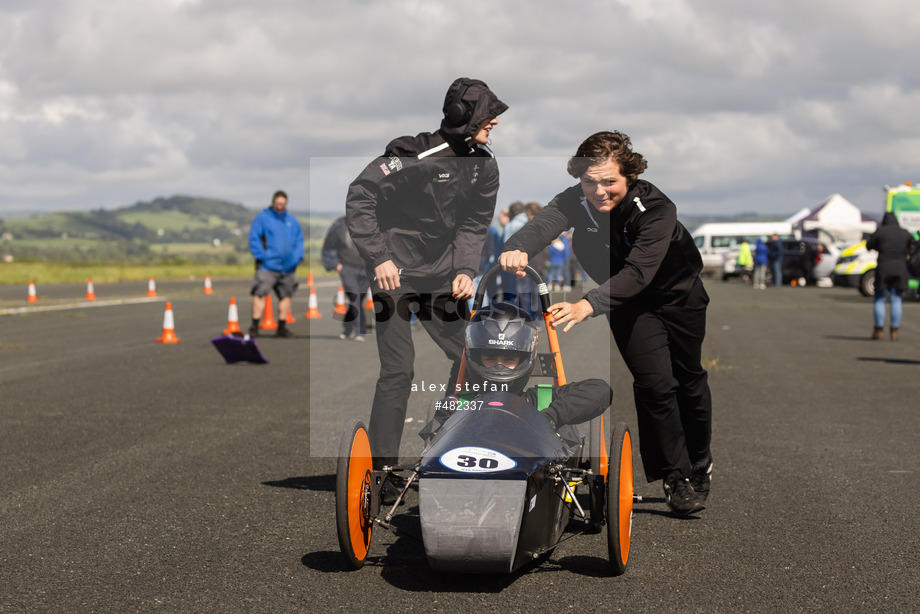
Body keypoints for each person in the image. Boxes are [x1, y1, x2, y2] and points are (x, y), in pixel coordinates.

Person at [500, 130, 713, 517]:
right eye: (590, 181)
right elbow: (543, 224)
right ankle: (675, 477)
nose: (599, 191)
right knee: (655, 385)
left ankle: (700, 460)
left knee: (689, 381)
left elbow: (640, 271)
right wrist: (517, 246)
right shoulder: (575, 200)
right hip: (628, 304)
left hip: (678, 298)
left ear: (628, 175)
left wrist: (587, 304)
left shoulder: (656, 208)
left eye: (609, 181)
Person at [346, 77, 508, 487]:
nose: (494, 123)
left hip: (440, 276)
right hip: (393, 275)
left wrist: (465, 270)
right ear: (463, 117)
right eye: (488, 115)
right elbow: (361, 194)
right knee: (398, 370)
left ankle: (440, 440)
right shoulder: (413, 155)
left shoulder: (485, 166)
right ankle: (380, 471)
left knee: (474, 359)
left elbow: (474, 223)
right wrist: (379, 256)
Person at [422, 301, 612, 437]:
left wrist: (549, 417)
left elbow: (600, 390)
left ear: (524, 360)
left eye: (509, 358)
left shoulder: (541, 400)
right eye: (490, 358)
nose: (499, 365)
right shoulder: (457, 404)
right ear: (476, 358)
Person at [248, 190, 304, 338]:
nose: (280, 207)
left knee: (286, 296)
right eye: (278, 204)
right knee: (259, 293)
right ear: (273, 203)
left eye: (283, 204)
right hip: (268, 266)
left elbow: (299, 241)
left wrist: (297, 257)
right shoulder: (262, 218)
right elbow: (254, 238)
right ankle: (254, 326)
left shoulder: (292, 221)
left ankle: (281, 327)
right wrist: (263, 256)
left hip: (288, 267)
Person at [866, 212, 917, 341]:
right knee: (896, 298)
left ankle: (878, 330)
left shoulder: (880, 232)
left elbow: (868, 246)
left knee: (879, 299)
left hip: (883, 268)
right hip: (900, 268)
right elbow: (914, 245)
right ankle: (894, 331)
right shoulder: (904, 232)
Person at [321, 215, 370, 341]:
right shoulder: (339, 224)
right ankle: (360, 331)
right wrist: (336, 264)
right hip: (347, 267)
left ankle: (347, 328)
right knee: (354, 296)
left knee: (358, 299)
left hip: (366, 269)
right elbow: (329, 245)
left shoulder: (371, 222)